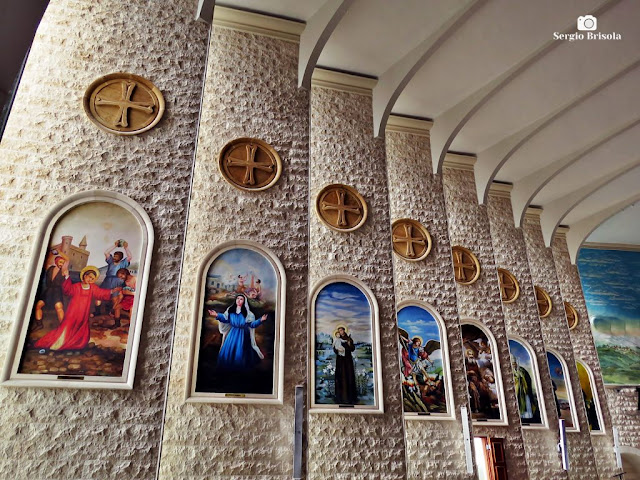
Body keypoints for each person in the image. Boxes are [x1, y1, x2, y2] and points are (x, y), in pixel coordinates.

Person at [35, 266, 115, 351]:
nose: (90, 279)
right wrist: (67, 277)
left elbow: (100, 293)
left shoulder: (92, 287)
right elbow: (67, 290)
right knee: (68, 325)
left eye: (92, 278)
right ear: (84, 275)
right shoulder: (76, 286)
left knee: (80, 326)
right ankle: (59, 342)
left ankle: (74, 342)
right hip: (73, 310)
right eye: (89, 277)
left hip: (83, 312)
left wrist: (111, 291)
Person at [207, 294, 268, 370]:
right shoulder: (231, 310)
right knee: (229, 352)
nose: (239, 300)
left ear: (244, 301)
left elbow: (252, 325)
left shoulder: (248, 314)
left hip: (243, 335)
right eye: (237, 298)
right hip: (232, 334)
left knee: (241, 352)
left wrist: (260, 320)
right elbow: (225, 319)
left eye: (241, 299)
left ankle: (240, 371)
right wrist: (216, 315)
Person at [96, 240, 133, 314]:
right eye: (114, 256)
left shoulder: (123, 263)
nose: (114, 257)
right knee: (99, 295)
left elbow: (130, 256)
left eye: (116, 256)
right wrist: (115, 246)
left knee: (114, 298)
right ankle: (97, 312)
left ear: (120, 257)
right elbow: (106, 252)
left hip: (117, 281)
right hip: (107, 281)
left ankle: (112, 313)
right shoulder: (111, 262)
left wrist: (126, 247)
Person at [33, 254, 68, 330]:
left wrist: (59, 252)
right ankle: (39, 324)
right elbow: (47, 261)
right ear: (56, 262)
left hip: (57, 292)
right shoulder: (50, 268)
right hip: (48, 291)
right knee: (38, 306)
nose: (61, 264)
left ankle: (63, 327)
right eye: (60, 262)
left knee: (59, 308)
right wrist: (53, 253)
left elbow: (67, 260)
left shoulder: (63, 270)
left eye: (63, 262)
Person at [511, 354, 540, 423]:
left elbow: (527, 379)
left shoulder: (522, 370)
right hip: (517, 391)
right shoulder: (510, 371)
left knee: (526, 404)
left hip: (524, 391)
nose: (514, 365)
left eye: (515, 363)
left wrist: (522, 379)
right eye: (512, 364)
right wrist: (517, 379)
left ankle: (527, 416)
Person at [333, 326, 357, 405]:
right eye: (339, 331)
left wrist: (349, 344)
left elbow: (353, 348)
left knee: (348, 376)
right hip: (340, 361)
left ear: (344, 330)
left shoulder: (349, 339)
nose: (340, 332)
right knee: (340, 377)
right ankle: (340, 397)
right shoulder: (337, 339)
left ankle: (349, 398)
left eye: (341, 330)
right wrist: (337, 350)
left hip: (347, 361)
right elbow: (334, 348)